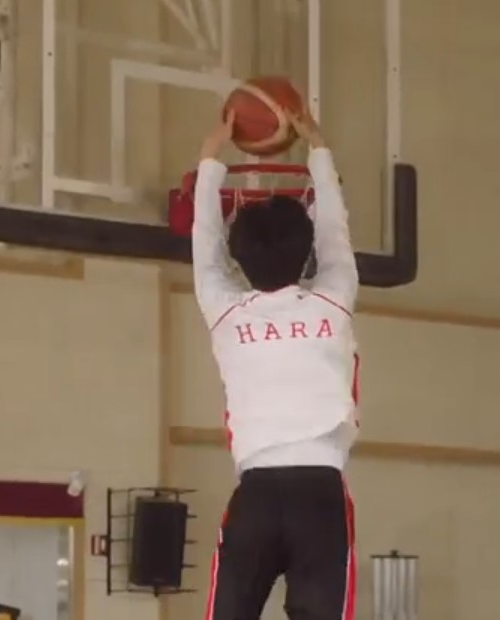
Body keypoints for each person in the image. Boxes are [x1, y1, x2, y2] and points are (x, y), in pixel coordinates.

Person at [191, 107, 360, 620]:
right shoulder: (332, 300)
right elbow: (335, 230)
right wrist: (318, 148)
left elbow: (203, 242)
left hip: (257, 494)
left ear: (240, 258)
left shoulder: (226, 313)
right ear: (307, 253)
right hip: (321, 494)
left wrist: (210, 157)